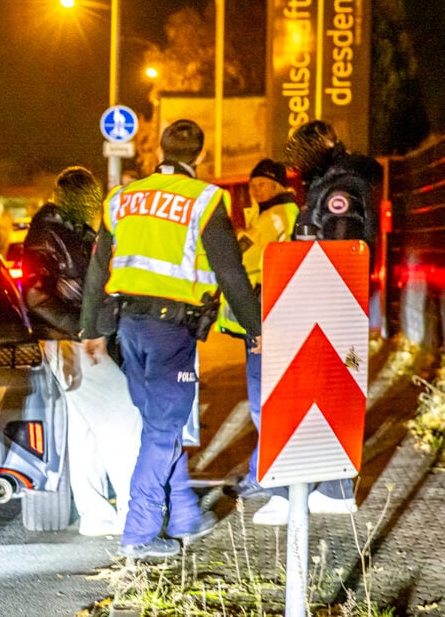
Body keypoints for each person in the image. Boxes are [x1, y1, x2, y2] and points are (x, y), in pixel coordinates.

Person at [80, 119, 262, 560]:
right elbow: (231, 272)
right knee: (163, 430)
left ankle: (182, 513)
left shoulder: (122, 198)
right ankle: (139, 531)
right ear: (198, 156)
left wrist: (91, 328)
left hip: (129, 328)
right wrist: (257, 329)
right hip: (170, 331)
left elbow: (99, 266)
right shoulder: (204, 199)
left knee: (160, 421)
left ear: (158, 151)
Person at [251, 120, 382, 524]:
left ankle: (296, 492)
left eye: (297, 158)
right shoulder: (337, 183)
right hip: (331, 307)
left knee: (309, 394)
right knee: (331, 396)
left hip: (325, 307)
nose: (293, 167)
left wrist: (302, 305)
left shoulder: (339, 189)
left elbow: (340, 249)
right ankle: (331, 489)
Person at [21, 166, 143, 537]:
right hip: (72, 342)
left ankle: (95, 513)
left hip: (71, 340)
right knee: (125, 418)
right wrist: (86, 328)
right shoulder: (50, 234)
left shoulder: (65, 231)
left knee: (86, 428)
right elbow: (37, 295)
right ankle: (130, 509)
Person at [215, 159, 298, 504]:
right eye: (254, 183)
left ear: (279, 185)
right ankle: (263, 471)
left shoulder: (274, 217)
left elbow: (241, 254)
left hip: (263, 318)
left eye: (264, 183)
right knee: (267, 399)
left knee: (263, 401)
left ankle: (266, 475)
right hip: (270, 315)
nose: (257, 188)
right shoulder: (275, 214)